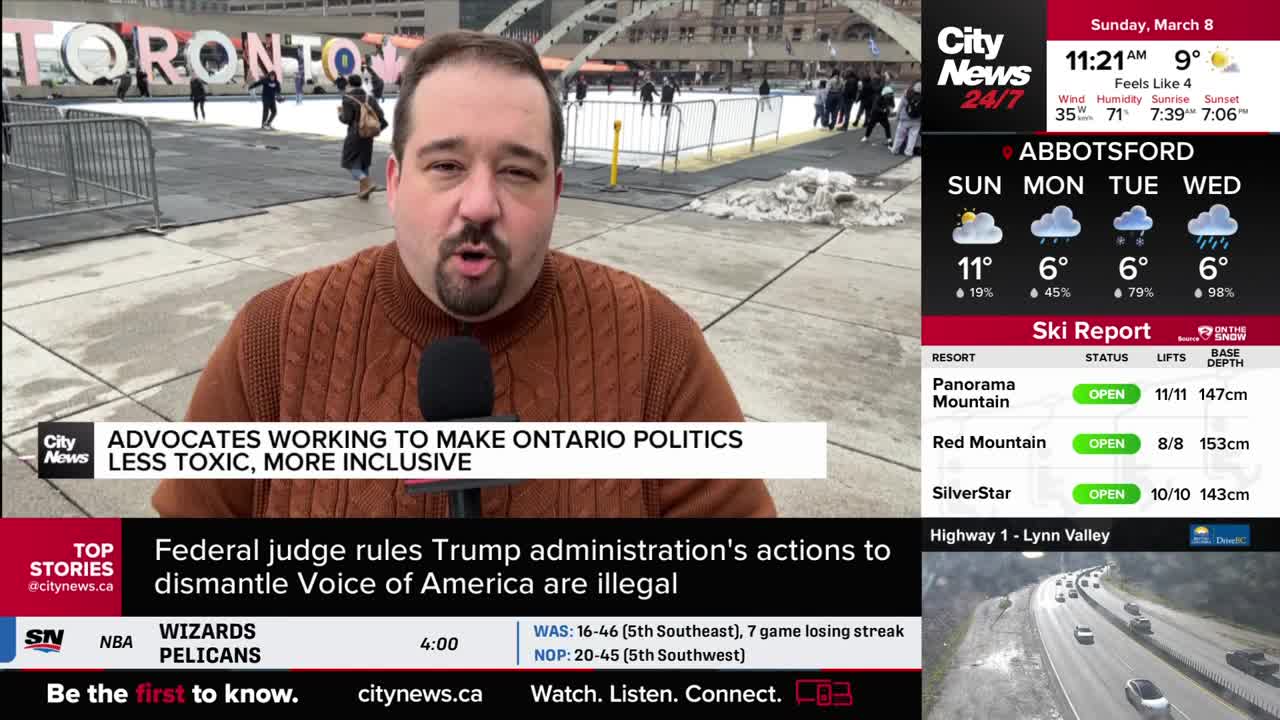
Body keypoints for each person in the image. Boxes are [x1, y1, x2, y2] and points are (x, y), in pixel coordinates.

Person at [151, 30, 776, 520]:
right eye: (446, 165)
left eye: (517, 171)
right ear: (395, 184)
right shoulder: (273, 339)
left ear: (556, 194)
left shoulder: (656, 348)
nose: (479, 203)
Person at [337, 74, 387, 200]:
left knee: (349, 163)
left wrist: (340, 114)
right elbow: (380, 115)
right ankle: (364, 191)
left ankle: (367, 182)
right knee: (364, 162)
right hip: (368, 134)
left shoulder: (347, 98)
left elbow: (346, 119)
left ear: (349, 84)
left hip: (354, 134)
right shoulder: (369, 98)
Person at [891, 81, 922, 156]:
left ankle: (895, 150)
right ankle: (908, 152)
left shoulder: (907, 93)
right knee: (912, 137)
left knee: (900, 135)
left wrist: (897, 116)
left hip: (904, 119)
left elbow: (900, 106)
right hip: (917, 120)